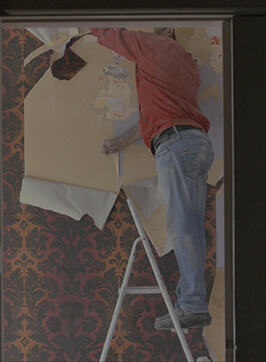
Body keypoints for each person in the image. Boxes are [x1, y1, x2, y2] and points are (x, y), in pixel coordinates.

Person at [89, 27, 214, 330]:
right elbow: (158, 116)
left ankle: (193, 305)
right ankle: (192, 302)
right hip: (195, 143)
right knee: (191, 229)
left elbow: (110, 34)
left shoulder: (151, 45)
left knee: (182, 229)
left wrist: (82, 15)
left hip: (176, 146)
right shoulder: (187, 64)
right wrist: (119, 143)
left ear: (165, 32)